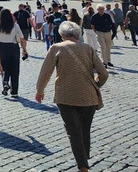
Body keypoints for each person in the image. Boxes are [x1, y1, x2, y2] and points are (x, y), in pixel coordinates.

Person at [36, 21, 108, 172]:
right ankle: (84, 160)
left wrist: (40, 90)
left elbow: (45, 72)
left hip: (65, 96)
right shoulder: (88, 48)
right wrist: (95, 84)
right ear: (78, 34)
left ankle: (83, 166)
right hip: (88, 96)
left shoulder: (56, 48)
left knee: (74, 132)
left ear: (62, 35)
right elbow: (104, 73)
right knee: (84, 130)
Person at [0, 9, 28, 98]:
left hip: (2, 48)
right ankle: (14, 91)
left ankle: (5, 82)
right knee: (15, 69)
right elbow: (22, 38)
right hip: (13, 47)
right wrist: (24, 50)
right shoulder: (15, 26)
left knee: (4, 67)